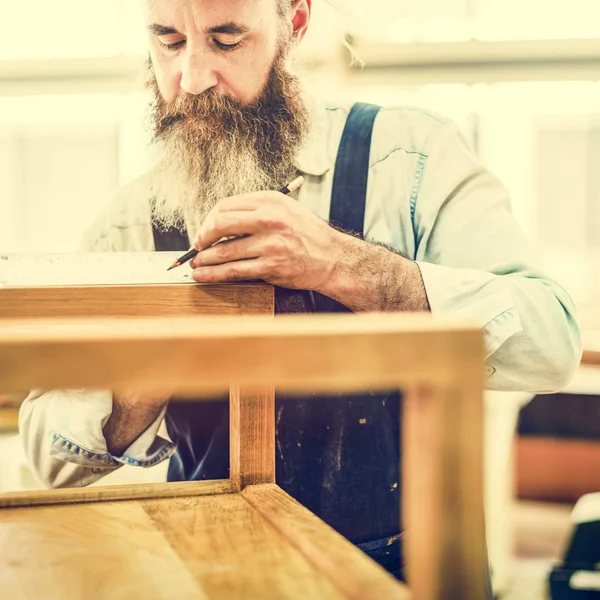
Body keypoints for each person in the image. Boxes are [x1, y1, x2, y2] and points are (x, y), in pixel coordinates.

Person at [19, 0, 581, 586]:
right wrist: (146, 377)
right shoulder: (131, 222)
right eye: (168, 40)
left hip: (406, 577)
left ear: (296, 22)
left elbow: (552, 342)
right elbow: (46, 460)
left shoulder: (411, 159)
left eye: (227, 39)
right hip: (207, 575)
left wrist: (343, 264)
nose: (190, 80)